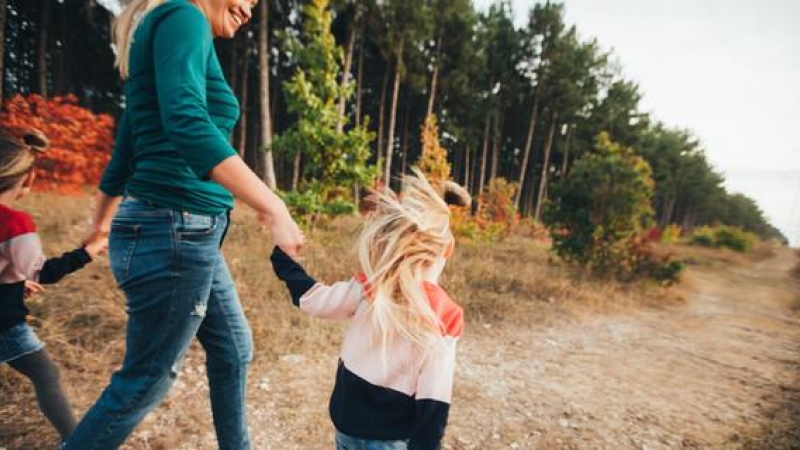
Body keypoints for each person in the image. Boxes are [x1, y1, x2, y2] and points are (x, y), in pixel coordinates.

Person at [63, 0, 304, 448]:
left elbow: (126, 150)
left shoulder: (167, 30)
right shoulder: (184, 16)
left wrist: (100, 225)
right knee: (146, 379)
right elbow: (188, 123)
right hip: (174, 228)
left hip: (181, 229)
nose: (250, 11)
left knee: (234, 350)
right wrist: (274, 207)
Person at [271, 169, 471, 450]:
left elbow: (313, 300)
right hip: (392, 440)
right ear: (447, 248)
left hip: (346, 428)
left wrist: (284, 260)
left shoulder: (369, 287)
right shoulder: (444, 317)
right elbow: (434, 403)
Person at [0, 130, 107, 445]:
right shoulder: (14, 223)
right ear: (27, 179)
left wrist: (15, 282)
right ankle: (75, 442)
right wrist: (87, 252)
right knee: (46, 376)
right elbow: (44, 271)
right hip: (5, 326)